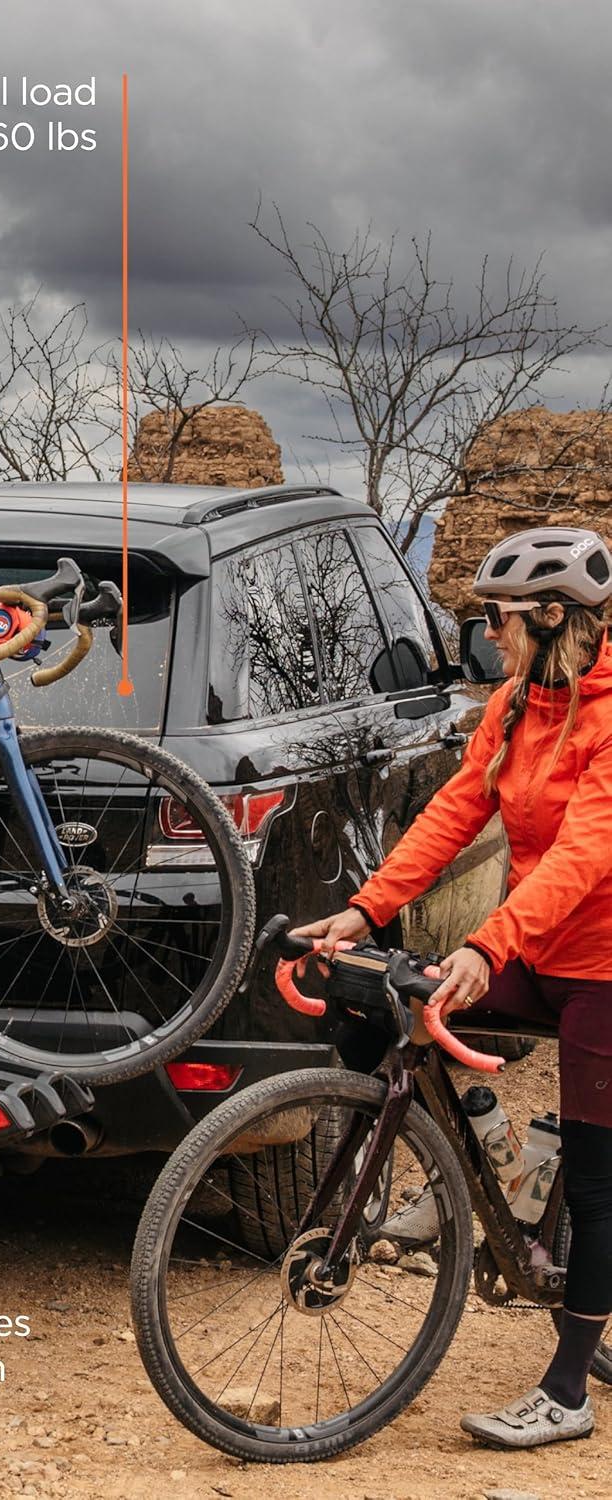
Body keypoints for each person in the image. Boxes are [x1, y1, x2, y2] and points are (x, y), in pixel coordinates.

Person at [296, 525, 612, 1449]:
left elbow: (585, 854)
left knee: (599, 1188)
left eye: (499, 619)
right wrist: (365, 911)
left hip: (602, 970)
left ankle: (566, 1393)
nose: (488, 635)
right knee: (380, 999)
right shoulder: (514, 706)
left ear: (551, 617)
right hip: (535, 952)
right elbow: (452, 813)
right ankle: (460, 1166)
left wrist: (487, 942)